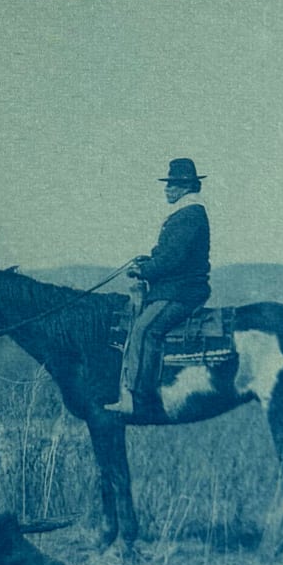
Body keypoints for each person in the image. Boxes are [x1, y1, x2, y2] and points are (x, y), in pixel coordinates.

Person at [105, 158, 212, 418]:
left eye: (172, 185)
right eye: (168, 184)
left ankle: (142, 400)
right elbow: (167, 253)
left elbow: (174, 257)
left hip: (182, 290)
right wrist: (148, 260)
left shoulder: (189, 215)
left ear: (186, 187)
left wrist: (145, 270)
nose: (167, 189)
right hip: (174, 287)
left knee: (145, 330)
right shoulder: (184, 214)